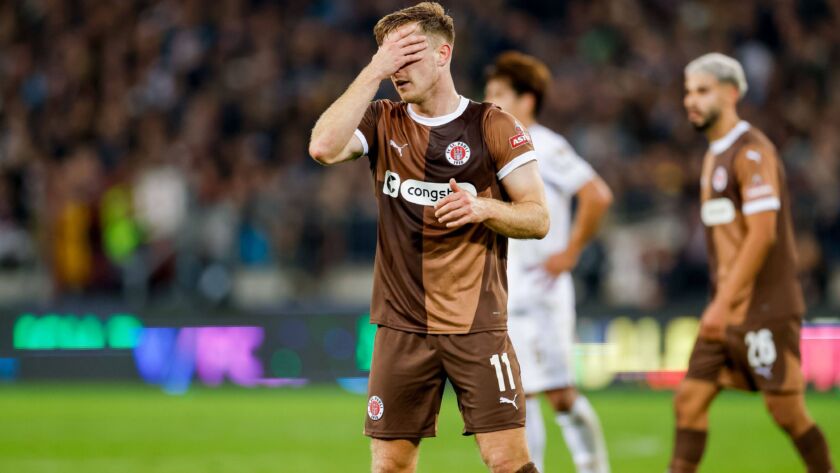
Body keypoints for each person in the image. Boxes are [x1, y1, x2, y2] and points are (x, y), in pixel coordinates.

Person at [308, 3, 549, 473]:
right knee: (391, 465)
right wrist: (373, 71)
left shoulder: (493, 125)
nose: (396, 69)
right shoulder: (381, 119)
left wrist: (483, 207)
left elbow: (538, 218)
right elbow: (322, 147)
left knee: (507, 462)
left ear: (443, 54)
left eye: (407, 55)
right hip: (401, 328)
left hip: (476, 327)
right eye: (389, 58)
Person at [669, 52, 835, 473]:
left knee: (787, 412)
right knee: (689, 401)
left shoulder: (752, 152)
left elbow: (763, 235)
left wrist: (722, 304)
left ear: (731, 93)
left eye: (702, 91)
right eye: (688, 92)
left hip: (763, 307)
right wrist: (722, 304)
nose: (691, 100)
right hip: (725, 309)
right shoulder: (713, 155)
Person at [485, 51, 613, 473]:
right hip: (507, 289)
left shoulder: (545, 145)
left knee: (559, 394)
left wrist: (570, 251)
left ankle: (594, 468)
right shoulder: (492, 145)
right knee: (518, 394)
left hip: (541, 290)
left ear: (527, 99)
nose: (490, 100)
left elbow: (596, 195)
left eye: (500, 93)